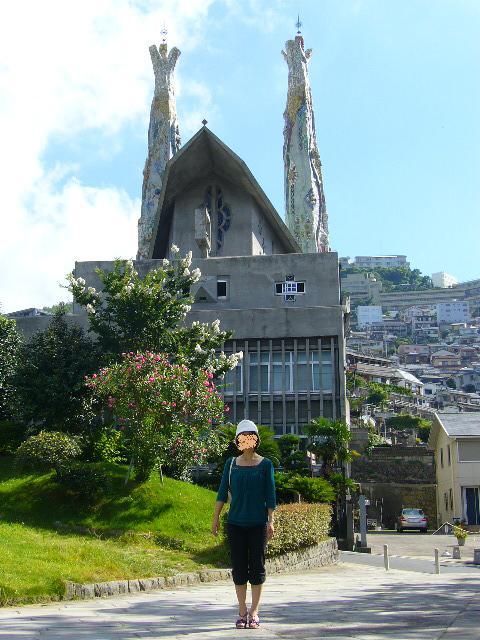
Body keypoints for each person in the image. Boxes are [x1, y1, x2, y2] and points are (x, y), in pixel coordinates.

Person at [212, 419, 276, 629]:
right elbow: (222, 493)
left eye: (250, 436)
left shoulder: (266, 465)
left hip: (258, 524)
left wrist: (271, 521)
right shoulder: (231, 464)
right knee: (239, 569)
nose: (247, 440)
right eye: (243, 437)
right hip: (235, 523)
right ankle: (242, 611)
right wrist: (215, 519)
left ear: (256, 440)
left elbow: (270, 495)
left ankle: (254, 612)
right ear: (237, 441)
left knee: (257, 567)